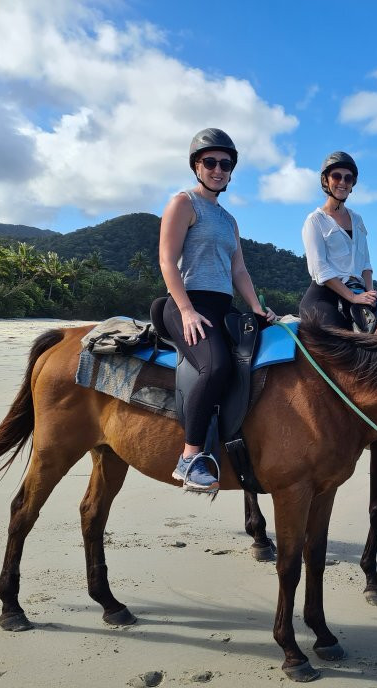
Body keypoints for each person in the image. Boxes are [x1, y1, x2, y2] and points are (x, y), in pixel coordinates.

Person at [159, 128, 275, 492]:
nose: (218, 169)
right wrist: (187, 310)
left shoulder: (229, 220)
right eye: (210, 162)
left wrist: (257, 308)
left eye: (225, 164)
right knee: (217, 365)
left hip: (222, 308)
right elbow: (166, 261)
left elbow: (238, 269)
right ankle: (190, 457)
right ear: (196, 166)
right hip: (184, 304)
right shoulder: (183, 203)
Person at [300, 151, 377, 329]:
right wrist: (352, 297)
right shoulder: (315, 220)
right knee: (344, 344)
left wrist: (370, 293)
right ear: (325, 181)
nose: (342, 182)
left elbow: (366, 264)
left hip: (357, 292)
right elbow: (319, 269)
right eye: (336, 176)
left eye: (348, 178)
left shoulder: (357, 220)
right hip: (323, 298)